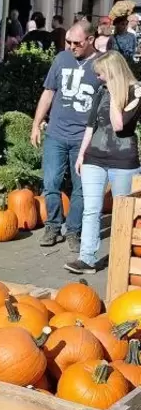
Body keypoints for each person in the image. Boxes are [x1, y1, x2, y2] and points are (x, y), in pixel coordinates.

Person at [67, 51, 141, 274]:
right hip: (94, 158)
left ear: (112, 72)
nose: (98, 78)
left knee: (122, 212)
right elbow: (91, 125)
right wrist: (81, 155)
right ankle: (87, 259)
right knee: (91, 210)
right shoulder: (101, 91)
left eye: (101, 74)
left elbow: (120, 125)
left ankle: (122, 259)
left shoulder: (135, 91)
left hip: (123, 160)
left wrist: (115, 95)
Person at [30, 20, 102, 250]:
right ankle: (52, 226)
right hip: (56, 133)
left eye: (76, 43)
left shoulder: (102, 63)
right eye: (68, 41)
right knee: (51, 182)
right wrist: (36, 123)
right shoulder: (61, 59)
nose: (71, 46)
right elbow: (49, 92)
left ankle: (73, 231)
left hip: (85, 138)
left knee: (81, 187)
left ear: (90, 40)